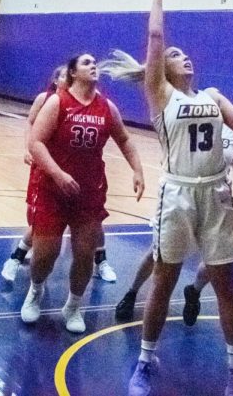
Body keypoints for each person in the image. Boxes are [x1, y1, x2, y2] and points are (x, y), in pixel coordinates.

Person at [101, 0, 233, 396]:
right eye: (175, 55)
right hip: (176, 193)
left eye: (183, 53)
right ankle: (144, 359)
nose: (182, 56)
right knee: (165, 279)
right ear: (163, 69)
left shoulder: (212, 96)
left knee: (226, 284)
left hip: (216, 193)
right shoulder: (160, 94)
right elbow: (155, 40)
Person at [19, 53, 145, 334]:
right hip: (52, 189)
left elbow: (124, 139)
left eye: (94, 63)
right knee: (45, 255)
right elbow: (36, 142)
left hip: (88, 192)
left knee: (85, 254)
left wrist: (137, 170)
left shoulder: (106, 107)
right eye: (86, 63)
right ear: (73, 73)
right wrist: (58, 174)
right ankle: (35, 290)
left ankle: (73, 306)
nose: (93, 66)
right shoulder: (57, 102)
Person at [113, 122, 233, 323]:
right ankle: (132, 293)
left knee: (217, 259)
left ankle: (194, 291)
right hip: (185, 198)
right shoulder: (193, 122)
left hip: (218, 199)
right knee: (157, 253)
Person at [1, 65, 66, 282]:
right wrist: (28, 148)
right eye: (63, 75)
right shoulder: (44, 99)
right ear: (56, 80)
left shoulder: (78, 103)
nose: (67, 79)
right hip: (43, 163)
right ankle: (17, 257)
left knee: (87, 224)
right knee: (37, 216)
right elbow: (30, 122)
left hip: (66, 167)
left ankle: (99, 260)